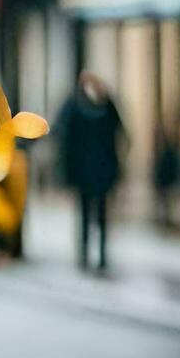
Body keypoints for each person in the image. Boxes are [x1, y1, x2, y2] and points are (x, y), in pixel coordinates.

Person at [57, 71, 125, 271]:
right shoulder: (74, 105)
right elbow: (64, 137)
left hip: (102, 169)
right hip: (84, 171)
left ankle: (101, 254)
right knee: (86, 214)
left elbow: (118, 131)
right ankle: (85, 253)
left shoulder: (105, 105)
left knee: (100, 214)